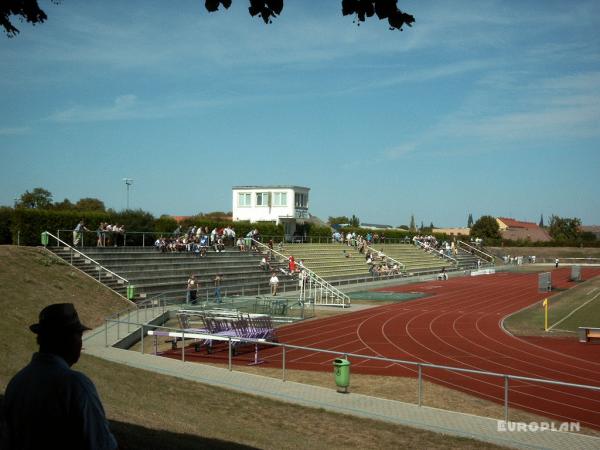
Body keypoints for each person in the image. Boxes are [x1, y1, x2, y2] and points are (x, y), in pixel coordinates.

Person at [4, 303, 117, 450]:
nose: (81, 343)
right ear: (68, 339)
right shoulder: (75, 385)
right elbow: (101, 444)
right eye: (79, 335)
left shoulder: (17, 382)